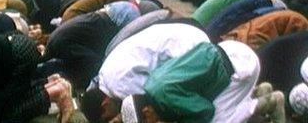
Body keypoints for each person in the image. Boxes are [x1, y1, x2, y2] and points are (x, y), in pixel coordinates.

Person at [120, 41, 283, 123]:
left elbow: (206, 110)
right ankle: (259, 91)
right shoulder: (152, 85)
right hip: (231, 51)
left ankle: (270, 101)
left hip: (240, 66)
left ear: (146, 111)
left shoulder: (164, 96)